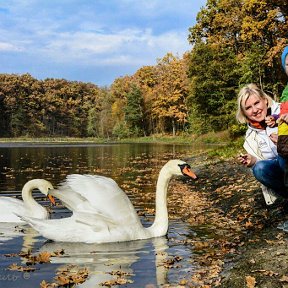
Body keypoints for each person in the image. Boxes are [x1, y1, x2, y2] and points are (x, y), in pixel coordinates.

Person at [236, 83, 288, 202]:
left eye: (256, 103)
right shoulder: (249, 138)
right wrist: (253, 161)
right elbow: (264, 166)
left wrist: (283, 142)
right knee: (259, 168)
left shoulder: (284, 110)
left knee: (283, 155)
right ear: (244, 113)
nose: (255, 110)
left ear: (265, 100)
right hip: (280, 174)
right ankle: (285, 198)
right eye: (248, 108)